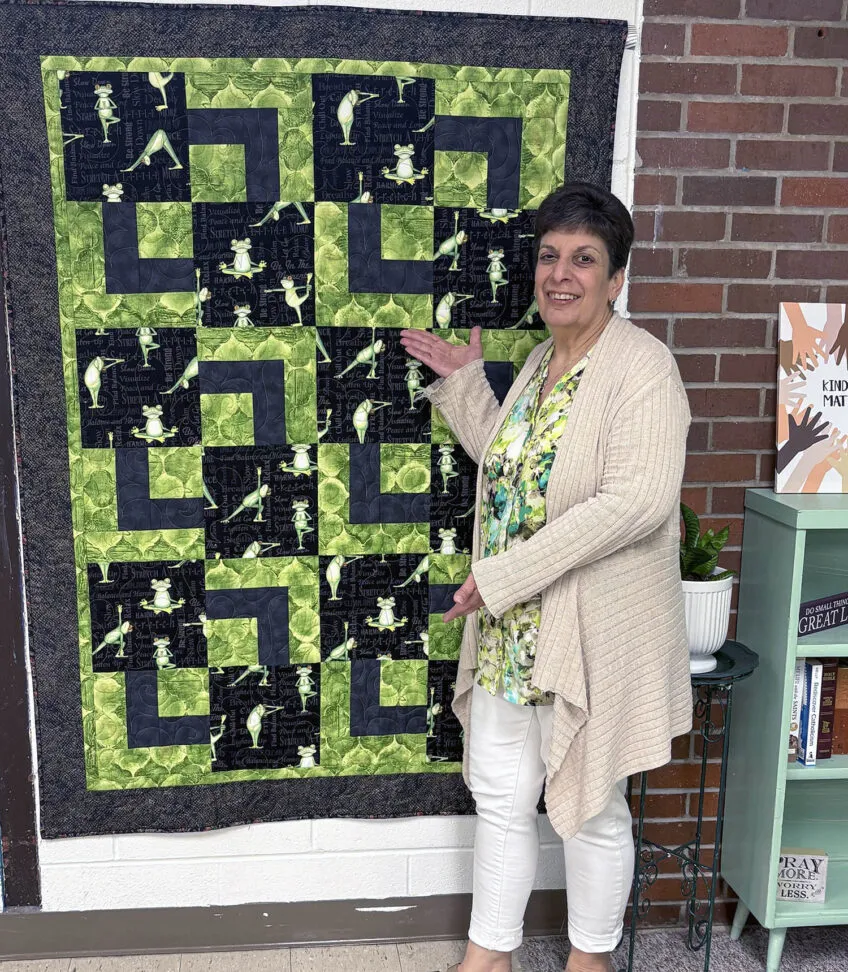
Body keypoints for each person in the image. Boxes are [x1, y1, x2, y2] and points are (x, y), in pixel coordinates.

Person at [400, 182, 692, 972]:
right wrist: (467, 383)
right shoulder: (538, 361)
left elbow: (636, 500)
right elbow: (519, 468)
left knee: (591, 808)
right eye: (550, 256)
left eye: (584, 259)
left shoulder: (643, 368)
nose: (561, 274)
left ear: (617, 278)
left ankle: (589, 960)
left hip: (580, 628)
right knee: (500, 798)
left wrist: (506, 575)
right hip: (507, 630)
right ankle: (487, 955)